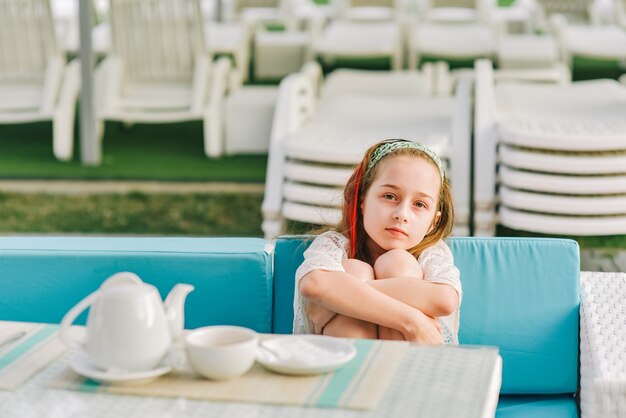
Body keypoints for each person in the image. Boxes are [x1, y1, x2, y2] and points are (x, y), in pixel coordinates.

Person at [293, 139, 461, 344]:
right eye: (390, 196)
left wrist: (340, 295)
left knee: (398, 263)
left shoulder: (432, 253)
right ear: (362, 200)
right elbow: (314, 285)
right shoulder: (335, 245)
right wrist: (412, 321)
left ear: (433, 222)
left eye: (419, 204)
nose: (402, 214)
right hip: (345, 363)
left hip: (412, 368)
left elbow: (444, 300)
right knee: (354, 269)